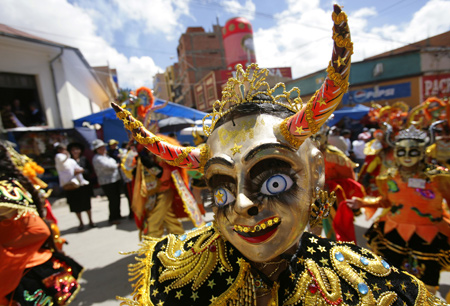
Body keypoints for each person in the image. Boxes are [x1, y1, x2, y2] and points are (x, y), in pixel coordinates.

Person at [112, 6, 443, 305]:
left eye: (273, 180)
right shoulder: (173, 269)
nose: (241, 204)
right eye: (222, 189)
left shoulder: (367, 284)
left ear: (315, 172)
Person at [346, 123, 450, 295]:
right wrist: (363, 203)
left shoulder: (439, 176)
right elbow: (386, 202)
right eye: (402, 152)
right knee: (392, 278)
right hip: (394, 232)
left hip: (428, 236)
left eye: (413, 152)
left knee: (427, 284)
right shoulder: (389, 176)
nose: (407, 157)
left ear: (422, 152)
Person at [0, 142, 83, 305]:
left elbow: (38, 229)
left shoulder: (5, 190)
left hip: (23, 272)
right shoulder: (10, 185)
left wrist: (6, 246)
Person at [91, 139, 123, 225]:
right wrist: (119, 165)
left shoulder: (106, 156)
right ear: (97, 150)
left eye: (103, 147)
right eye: (101, 148)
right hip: (107, 182)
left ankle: (117, 215)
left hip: (114, 180)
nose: (103, 149)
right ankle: (112, 218)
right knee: (113, 199)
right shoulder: (97, 158)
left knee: (117, 198)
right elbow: (110, 166)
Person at [67, 142, 96, 230]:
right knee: (76, 205)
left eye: (77, 149)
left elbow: (90, 171)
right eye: (73, 150)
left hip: (84, 186)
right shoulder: (68, 161)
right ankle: (81, 222)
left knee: (87, 203)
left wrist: (83, 171)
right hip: (73, 187)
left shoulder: (84, 159)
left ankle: (90, 220)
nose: (75, 151)